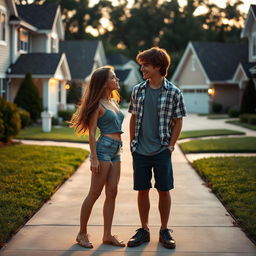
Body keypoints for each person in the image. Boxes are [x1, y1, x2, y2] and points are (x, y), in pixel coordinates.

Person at [127, 47, 186, 249]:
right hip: (140, 151)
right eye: (141, 64)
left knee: (164, 190)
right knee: (142, 190)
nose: (142, 68)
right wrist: (132, 143)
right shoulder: (137, 90)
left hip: (161, 150)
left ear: (158, 66)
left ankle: (164, 230)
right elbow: (133, 117)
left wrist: (170, 146)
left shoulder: (174, 92)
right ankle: (144, 230)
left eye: (145, 65)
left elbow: (178, 121)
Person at [69, 66, 125, 248]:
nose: (117, 80)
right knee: (94, 193)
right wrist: (93, 157)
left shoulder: (114, 102)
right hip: (103, 150)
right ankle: (81, 233)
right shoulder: (98, 105)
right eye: (113, 77)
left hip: (117, 149)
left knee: (112, 192)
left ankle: (107, 235)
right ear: (104, 82)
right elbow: (92, 133)